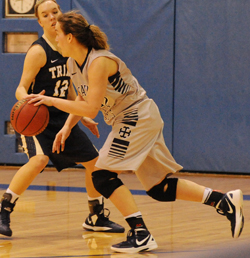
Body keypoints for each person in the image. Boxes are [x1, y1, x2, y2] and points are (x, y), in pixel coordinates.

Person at [28, 10, 244, 253]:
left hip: (136, 117)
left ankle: (140, 232)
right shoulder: (71, 63)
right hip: (136, 119)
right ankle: (223, 201)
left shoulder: (99, 61)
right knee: (159, 189)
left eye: (57, 34)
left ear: (70, 38)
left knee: (101, 175)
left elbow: (91, 107)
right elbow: (82, 97)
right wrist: (67, 126)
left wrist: (52, 102)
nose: (54, 39)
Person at [0, 1, 124, 237]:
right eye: (45, 15)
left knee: (94, 163)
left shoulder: (67, 49)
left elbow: (68, 89)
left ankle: (96, 215)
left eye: (55, 12)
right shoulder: (38, 51)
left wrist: (83, 115)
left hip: (61, 115)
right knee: (39, 160)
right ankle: (4, 210)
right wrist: (28, 102)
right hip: (37, 116)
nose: (51, 17)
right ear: (39, 22)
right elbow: (20, 88)